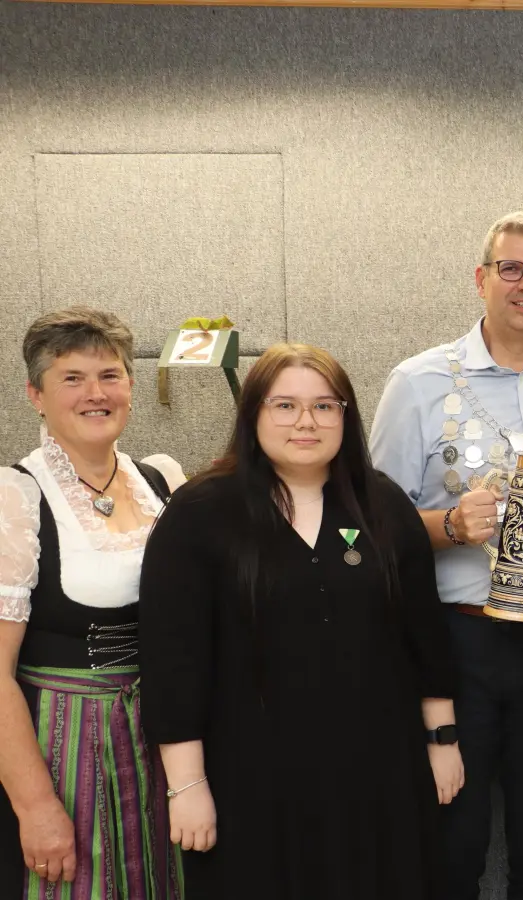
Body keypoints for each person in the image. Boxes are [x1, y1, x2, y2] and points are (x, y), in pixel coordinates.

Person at [139, 343, 460, 900]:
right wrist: (186, 786)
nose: (306, 421)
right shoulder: (199, 513)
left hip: (378, 770)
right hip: (250, 773)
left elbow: (423, 635)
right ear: (254, 414)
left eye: (325, 406)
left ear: (346, 416)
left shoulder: (383, 507)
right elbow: (174, 660)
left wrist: (443, 741)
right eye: (284, 405)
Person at [369, 211, 523, 900]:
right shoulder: (418, 382)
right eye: (511, 268)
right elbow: (366, 533)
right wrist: (446, 525)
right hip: (457, 646)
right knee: (452, 850)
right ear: (481, 279)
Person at [0, 307, 184, 899]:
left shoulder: (160, 480)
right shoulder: (15, 497)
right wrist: (35, 806)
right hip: (62, 745)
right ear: (36, 394)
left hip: (161, 741)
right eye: (71, 378)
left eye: (110, 374)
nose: (95, 393)